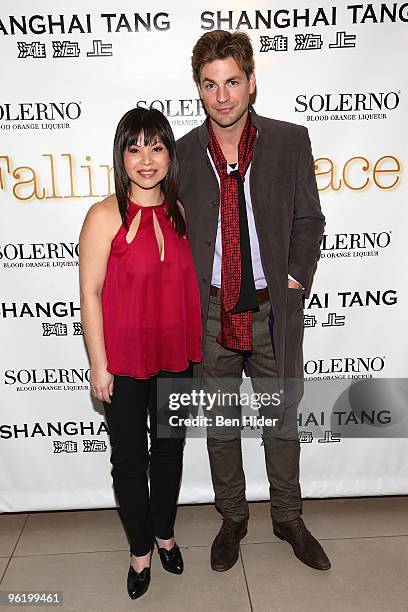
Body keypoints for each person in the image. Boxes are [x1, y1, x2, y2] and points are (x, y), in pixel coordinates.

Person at [176, 30, 330, 572]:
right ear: (198, 89)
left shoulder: (290, 141)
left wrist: (294, 278)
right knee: (220, 422)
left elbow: (309, 218)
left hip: (272, 311)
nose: (223, 96)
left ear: (252, 82)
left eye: (233, 82)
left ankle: (288, 517)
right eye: (211, 85)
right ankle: (233, 517)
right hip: (212, 310)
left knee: (281, 420)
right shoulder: (180, 155)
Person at [79, 107, 202, 599]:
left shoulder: (183, 212)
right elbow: (90, 294)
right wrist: (99, 365)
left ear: (170, 153)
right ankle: (139, 551)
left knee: (169, 450)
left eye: (156, 147)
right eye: (135, 148)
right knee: (129, 460)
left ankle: (165, 533)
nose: (146, 159)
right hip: (124, 362)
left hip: (177, 356)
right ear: (121, 155)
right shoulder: (103, 216)